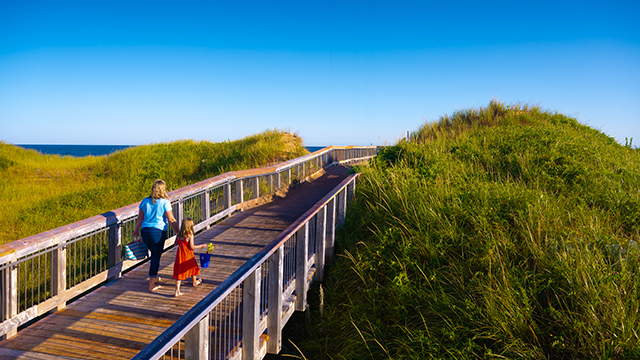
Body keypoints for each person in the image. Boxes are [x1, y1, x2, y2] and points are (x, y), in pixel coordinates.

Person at [133, 179, 180, 292]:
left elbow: (140, 217)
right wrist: (178, 232)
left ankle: (154, 277)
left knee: (154, 254)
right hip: (157, 232)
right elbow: (171, 219)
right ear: (163, 189)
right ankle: (151, 285)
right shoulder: (164, 202)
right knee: (155, 257)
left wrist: (136, 230)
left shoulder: (144, 201)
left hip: (145, 232)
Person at [173, 218, 206, 297]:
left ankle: (177, 290)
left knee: (179, 270)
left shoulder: (179, 234)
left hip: (180, 255)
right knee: (193, 266)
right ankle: (194, 282)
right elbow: (192, 247)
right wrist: (201, 246)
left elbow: (175, 244)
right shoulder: (190, 234)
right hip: (188, 254)